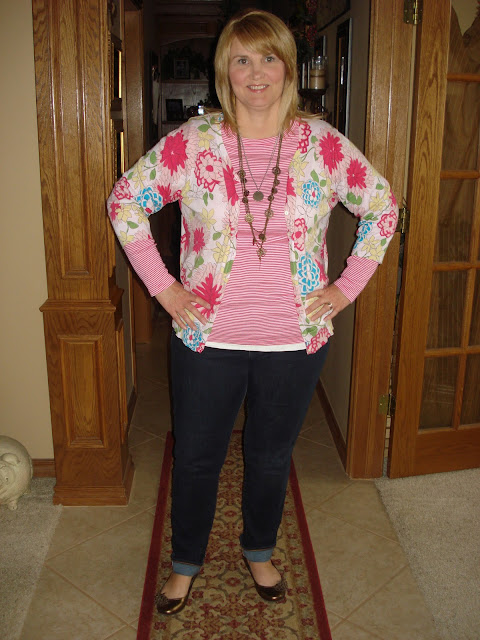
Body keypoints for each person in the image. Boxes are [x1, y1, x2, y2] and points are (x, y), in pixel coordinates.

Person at [107, 9, 398, 615]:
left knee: (270, 457)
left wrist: (346, 288)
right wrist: (165, 290)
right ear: (225, 71)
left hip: (293, 340)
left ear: (288, 67)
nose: (256, 72)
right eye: (242, 59)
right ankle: (186, 561)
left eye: (268, 57)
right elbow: (125, 201)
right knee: (197, 458)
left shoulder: (321, 143)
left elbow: (383, 207)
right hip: (207, 336)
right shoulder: (194, 143)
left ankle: (259, 549)